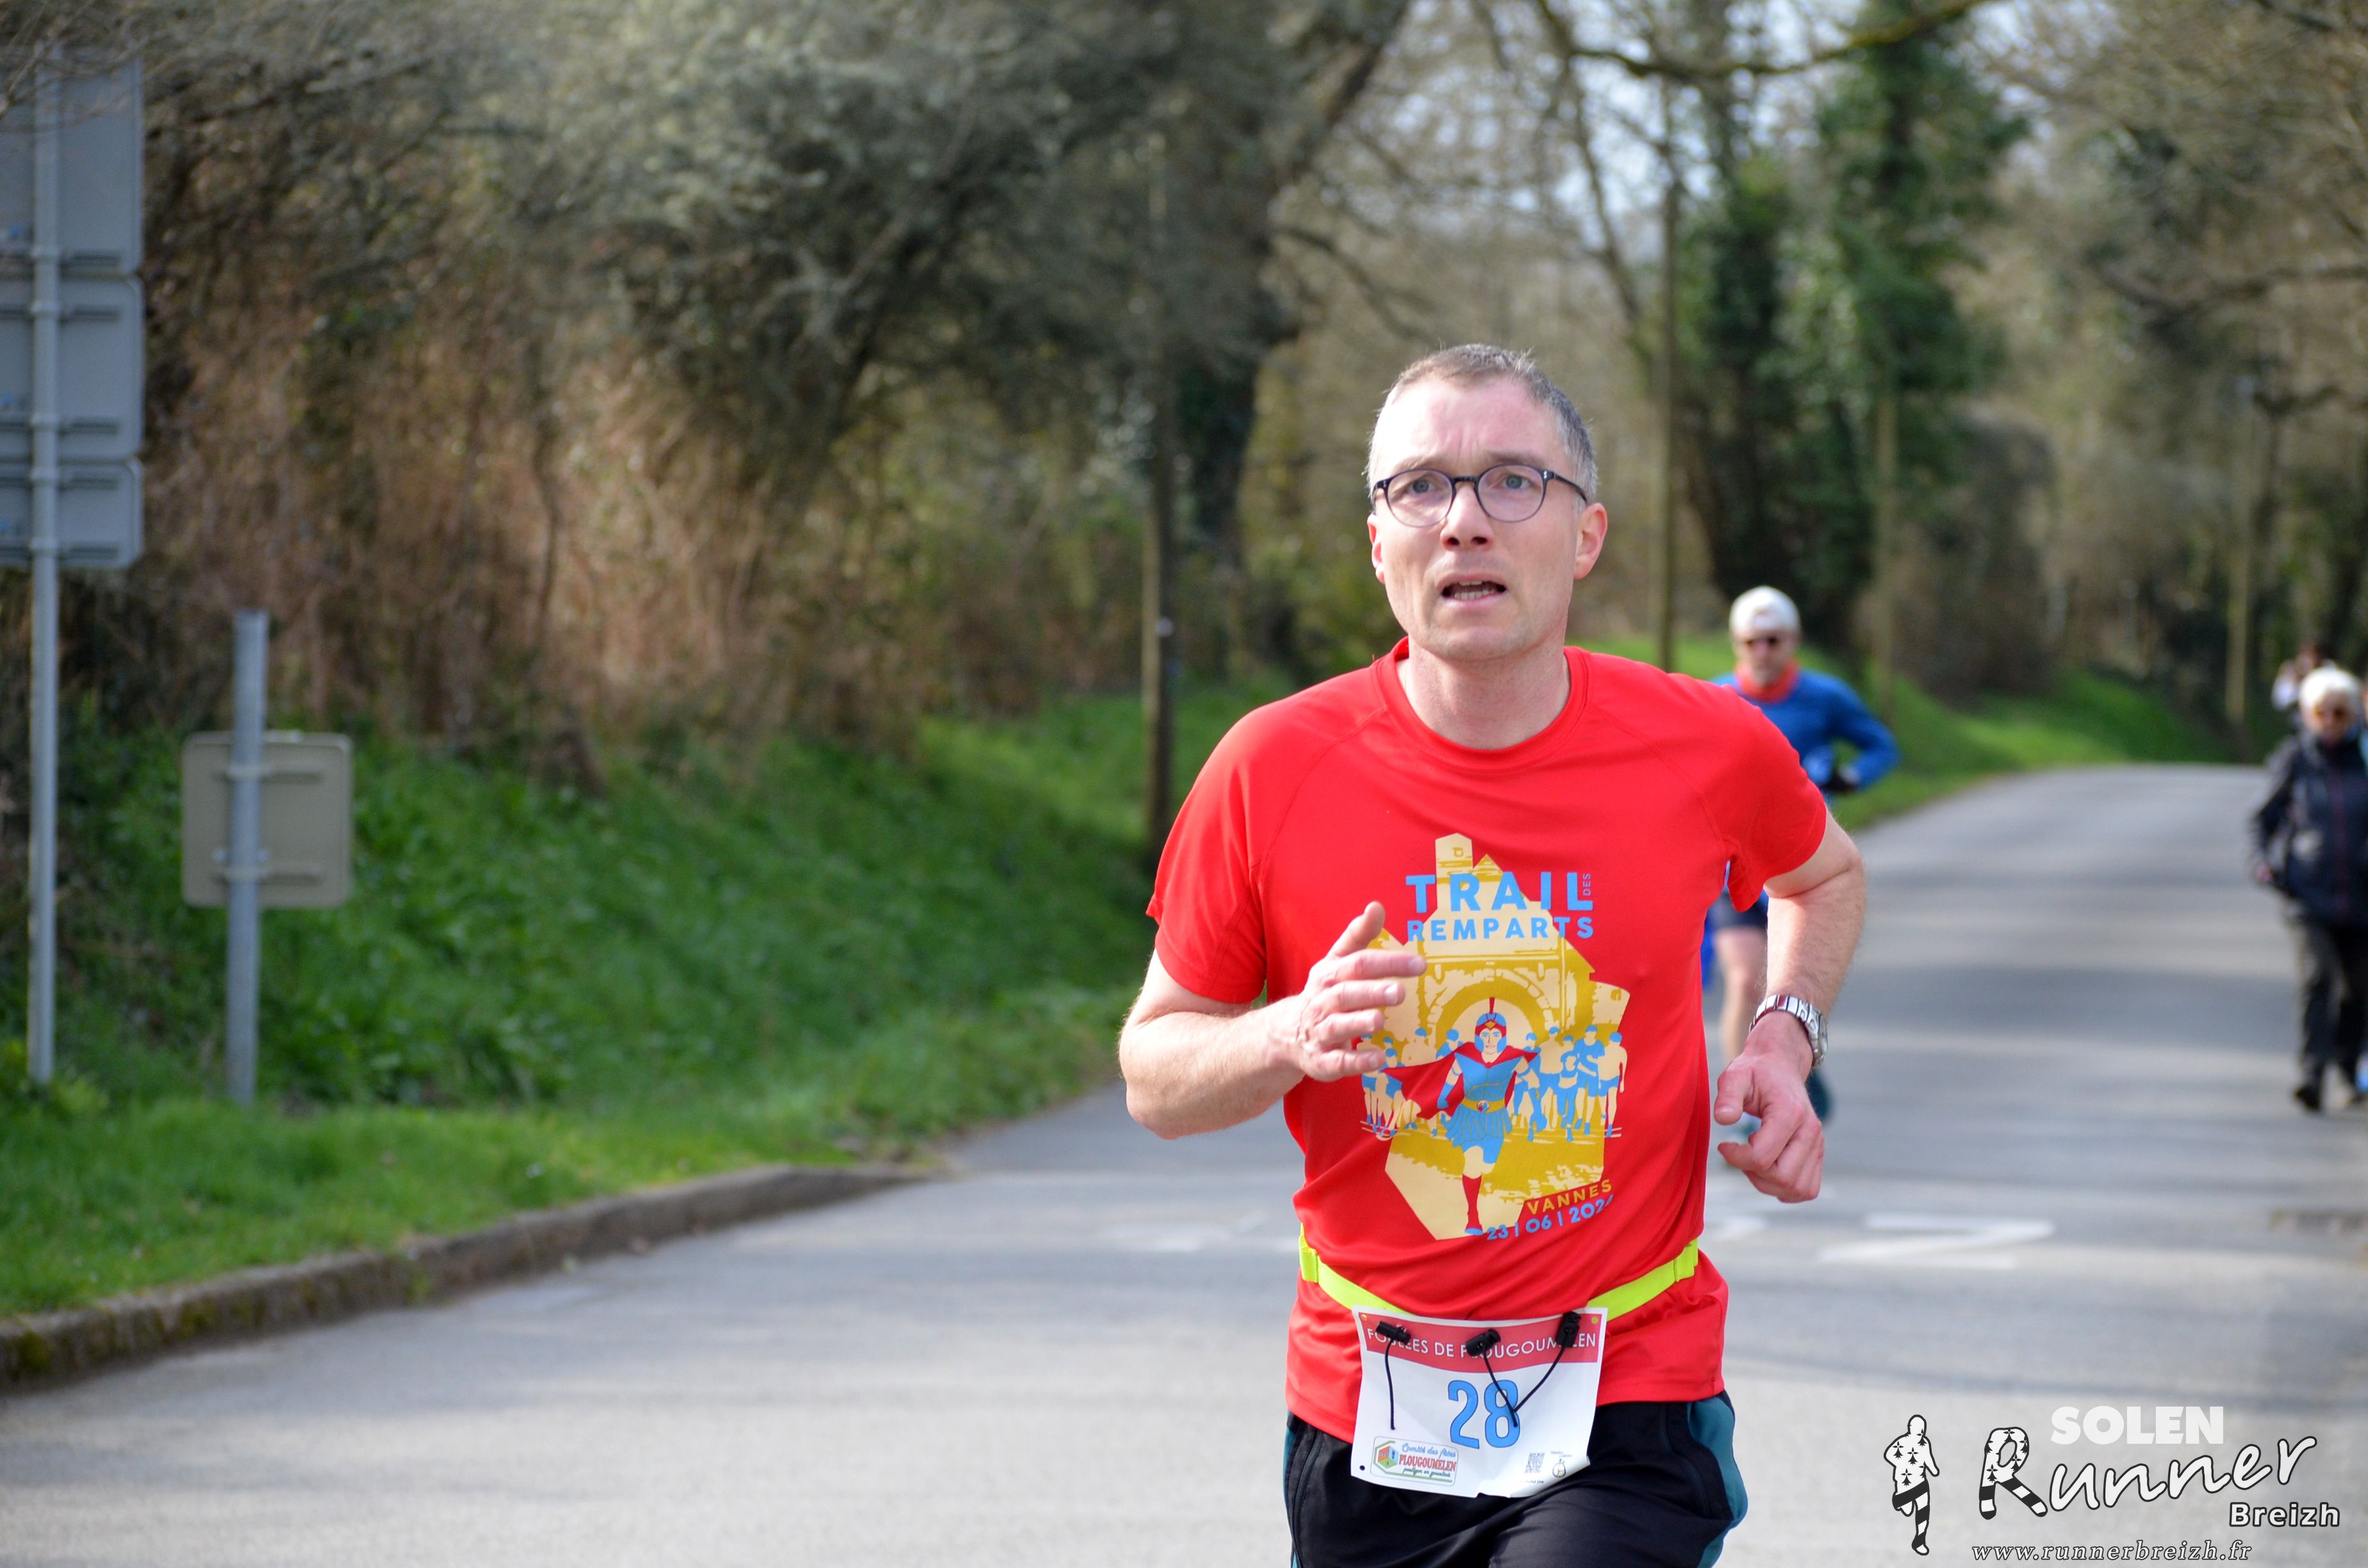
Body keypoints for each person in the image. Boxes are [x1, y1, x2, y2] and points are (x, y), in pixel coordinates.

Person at [1119, 345, 1866, 1568]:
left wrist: (1785, 1037)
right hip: (1364, 1408)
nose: (1463, 519)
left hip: (1627, 1389)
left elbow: (1822, 874)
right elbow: (1156, 1074)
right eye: (1421, 486)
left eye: (1513, 480)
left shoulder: (1704, 744)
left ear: (1586, 535)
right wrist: (1286, 1031)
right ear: (1379, 544)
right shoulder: (1269, 767)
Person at [1708, 586, 1896, 1120]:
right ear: (1736, 644)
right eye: (1752, 641)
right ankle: (1747, 1112)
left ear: (1792, 641)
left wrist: (1851, 777)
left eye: (1773, 640)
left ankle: (1793, 1060)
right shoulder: (1713, 700)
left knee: (1788, 986)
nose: (1763, 652)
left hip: (1799, 867)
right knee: (1744, 979)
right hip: (1732, 868)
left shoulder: (1826, 697)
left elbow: (1882, 746)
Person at [2249, 665, 2368, 1112]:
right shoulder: (2295, 760)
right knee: (2317, 977)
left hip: (2361, 896)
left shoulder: (2365, 760)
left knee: (2359, 989)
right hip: (2309, 894)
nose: (2331, 722)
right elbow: (2263, 821)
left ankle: (2347, 1067)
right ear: (2308, 715)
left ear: (2354, 715)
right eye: (2322, 713)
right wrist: (2263, 863)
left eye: (2340, 713)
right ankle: (2312, 1073)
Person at [2271, 640, 2328, 723]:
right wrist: (2294, 683)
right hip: (2297, 724)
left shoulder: (2327, 672)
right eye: (2306, 657)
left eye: (2313, 656)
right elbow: (2281, 703)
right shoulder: (2291, 674)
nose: (2310, 662)